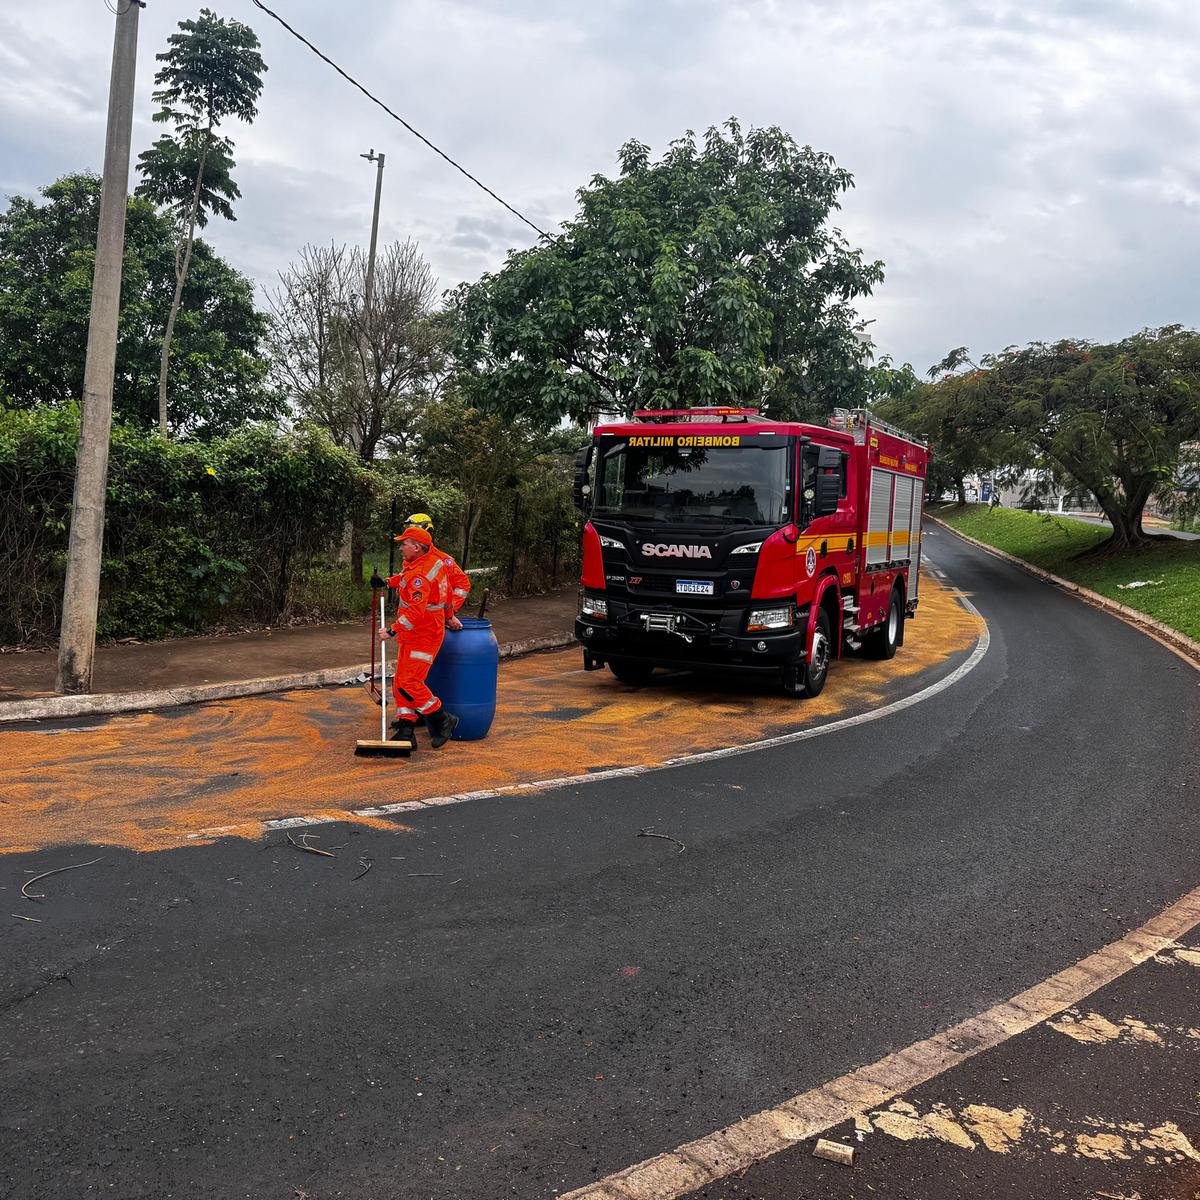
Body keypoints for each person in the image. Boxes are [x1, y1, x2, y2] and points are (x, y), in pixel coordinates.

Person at [383, 526, 458, 752]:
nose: (401, 547)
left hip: (424, 634)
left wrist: (392, 630)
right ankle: (406, 730)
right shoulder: (425, 564)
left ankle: (442, 718)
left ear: (417, 547)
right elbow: (408, 580)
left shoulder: (420, 574)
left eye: (404, 543)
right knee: (401, 681)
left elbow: (415, 610)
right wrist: (387, 582)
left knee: (410, 682)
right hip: (417, 633)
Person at [403, 512, 471, 630]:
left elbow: (462, 584)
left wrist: (449, 613)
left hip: (432, 622)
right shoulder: (409, 558)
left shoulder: (443, 560)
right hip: (411, 620)